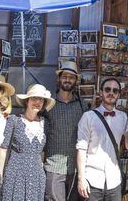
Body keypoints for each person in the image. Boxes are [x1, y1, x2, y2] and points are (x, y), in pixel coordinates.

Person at [1, 84, 56, 201]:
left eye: (40, 99)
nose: (37, 102)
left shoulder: (45, 123)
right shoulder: (14, 120)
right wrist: (0, 175)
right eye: (34, 98)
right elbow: (3, 148)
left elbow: (42, 152)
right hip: (15, 173)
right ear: (27, 101)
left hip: (36, 175)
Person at [76, 77, 127, 201]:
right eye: (107, 89)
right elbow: (81, 149)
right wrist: (81, 179)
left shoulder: (124, 117)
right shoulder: (88, 117)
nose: (111, 93)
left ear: (119, 95)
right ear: (101, 92)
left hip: (114, 180)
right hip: (92, 180)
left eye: (115, 91)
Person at [44, 61, 87, 201]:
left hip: (76, 168)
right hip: (54, 166)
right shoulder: (49, 104)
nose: (67, 79)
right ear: (59, 79)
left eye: (71, 77)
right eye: (65, 76)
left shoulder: (82, 105)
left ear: (76, 81)